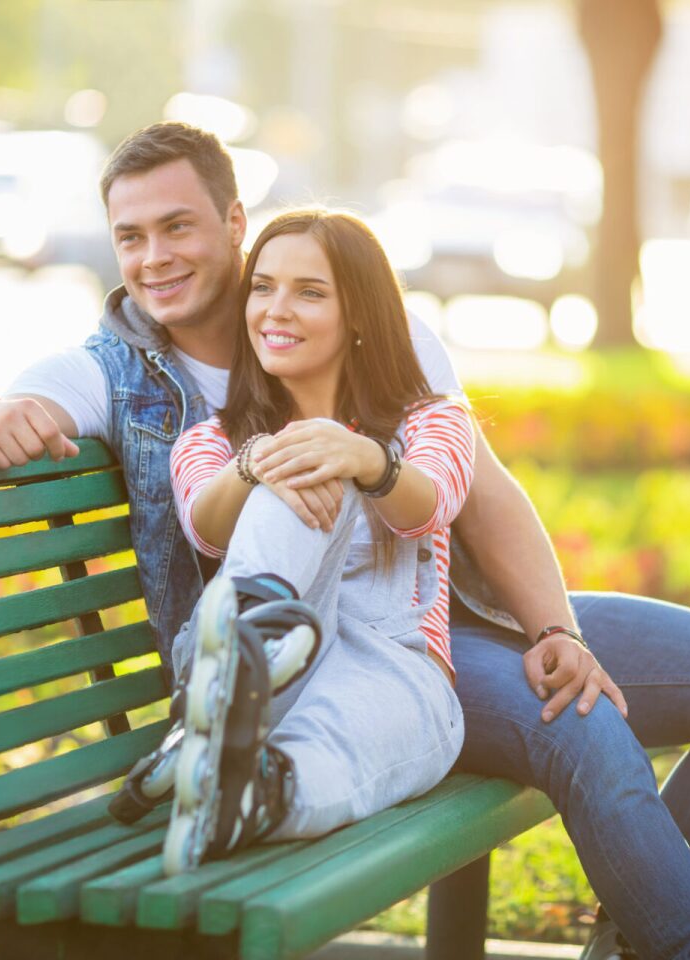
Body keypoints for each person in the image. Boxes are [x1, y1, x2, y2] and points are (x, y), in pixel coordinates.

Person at [0, 122, 690, 959]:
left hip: (449, 606)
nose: (154, 259)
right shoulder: (117, 373)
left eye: (178, 227)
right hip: (325, 656)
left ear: (235, 222)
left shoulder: (375, 327)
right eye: (131, 236)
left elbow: (484, 495)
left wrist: (557, 633)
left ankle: (642, 935)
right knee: (579, 731)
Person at [117, 207, 473, 872]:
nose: (276, 310)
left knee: (323, 756)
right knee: (298, 465)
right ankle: (236, 666)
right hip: (274, 661)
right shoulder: (214, 441)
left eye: (309, 292)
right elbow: (204, 522)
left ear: (360, 314)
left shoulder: (432, 420)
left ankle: (243, 793)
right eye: (263, 287)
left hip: (394, 672)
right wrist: (261, 462)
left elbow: (431, 504)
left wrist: (367, 458)